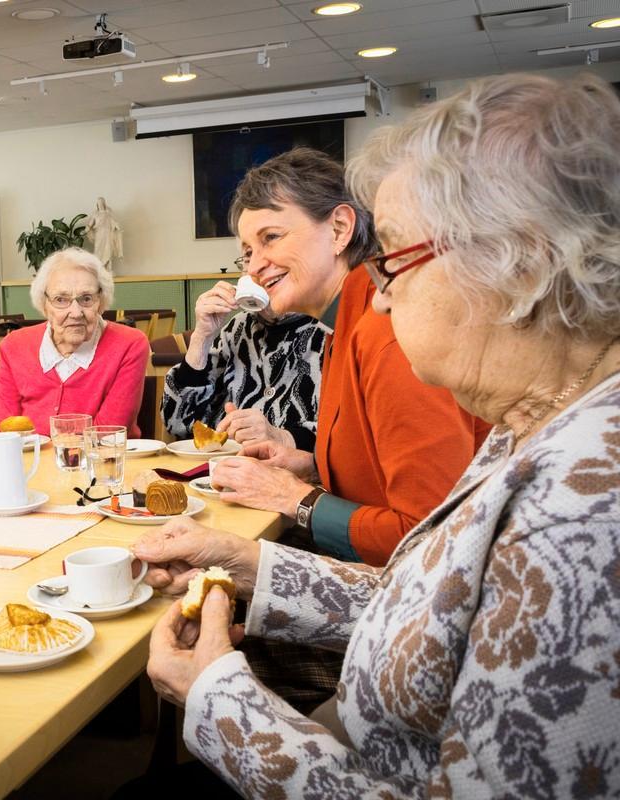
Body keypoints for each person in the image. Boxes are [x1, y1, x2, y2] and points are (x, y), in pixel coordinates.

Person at [139, 71, 620, 797]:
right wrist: (246, 562)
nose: (382, 299)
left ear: (516, 262)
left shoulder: (582, 518)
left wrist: (215, 699)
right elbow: (437, 603)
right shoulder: (542, 414)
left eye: (392, 259)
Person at [209, 148, 488, 568]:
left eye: (271, 237)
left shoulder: (388, 332)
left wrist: (294, 498)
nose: (255, 269)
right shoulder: (345, 325)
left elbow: (429, 538)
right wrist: (313, 466)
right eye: (248, 251)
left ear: (340, 228)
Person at [0, 247, 150, 436]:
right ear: (44, 304)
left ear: (101, 301)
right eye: (60, 299)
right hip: (29, 464)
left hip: (103, 463)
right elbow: (0, 431)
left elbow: (108, 433)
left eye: (86, 299)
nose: (75, 313)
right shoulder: (13, 346)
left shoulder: (129, 344)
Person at [162, 292, 325, 449]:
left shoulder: (333, 328)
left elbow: (343, 443)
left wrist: (281, 437)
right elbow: (177, 422)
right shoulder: (239, 327)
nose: (255, 270)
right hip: (224, 468)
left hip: (297, 475)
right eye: (247, 263)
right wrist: (202, 337)